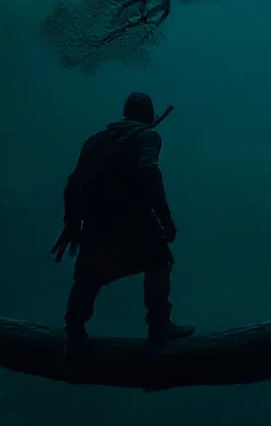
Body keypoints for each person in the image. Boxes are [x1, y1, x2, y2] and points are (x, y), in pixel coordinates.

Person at [55, 91, 194, 348]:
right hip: (133, 219)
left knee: (88, 276)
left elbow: (73, 183)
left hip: (95, 223)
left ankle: (73, 331)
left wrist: (71, 224)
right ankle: (159, 325)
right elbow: (150, 173)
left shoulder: (94, 141)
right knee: (159, 260)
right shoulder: (148, 136)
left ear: (125, 114)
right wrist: (167, 220)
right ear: (149, 115)